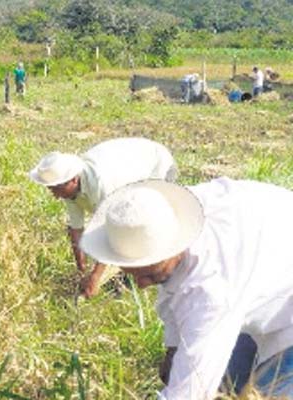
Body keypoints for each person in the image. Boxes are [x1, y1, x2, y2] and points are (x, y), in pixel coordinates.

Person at [79, 177, 293, 399]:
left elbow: (190, 392)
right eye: (133, 273)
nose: (141, 286)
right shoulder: (161, 215)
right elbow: (174, 287)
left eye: (151, 275)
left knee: (262, 393)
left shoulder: (209, 290)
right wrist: (174, 349)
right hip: (264, 266)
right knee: (229, 381)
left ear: (176, 248)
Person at [29, 137, 177, 297]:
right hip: (130, 162)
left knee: (143, 223)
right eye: (51, 190)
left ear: (72, 180)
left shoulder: (103, 186)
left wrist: (95, 277)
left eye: (56, 190)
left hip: (155, 164)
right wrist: (81, 271)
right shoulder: (68, 189)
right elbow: (76, 230)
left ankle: (149, 273)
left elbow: (113, 234)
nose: (56, 196)